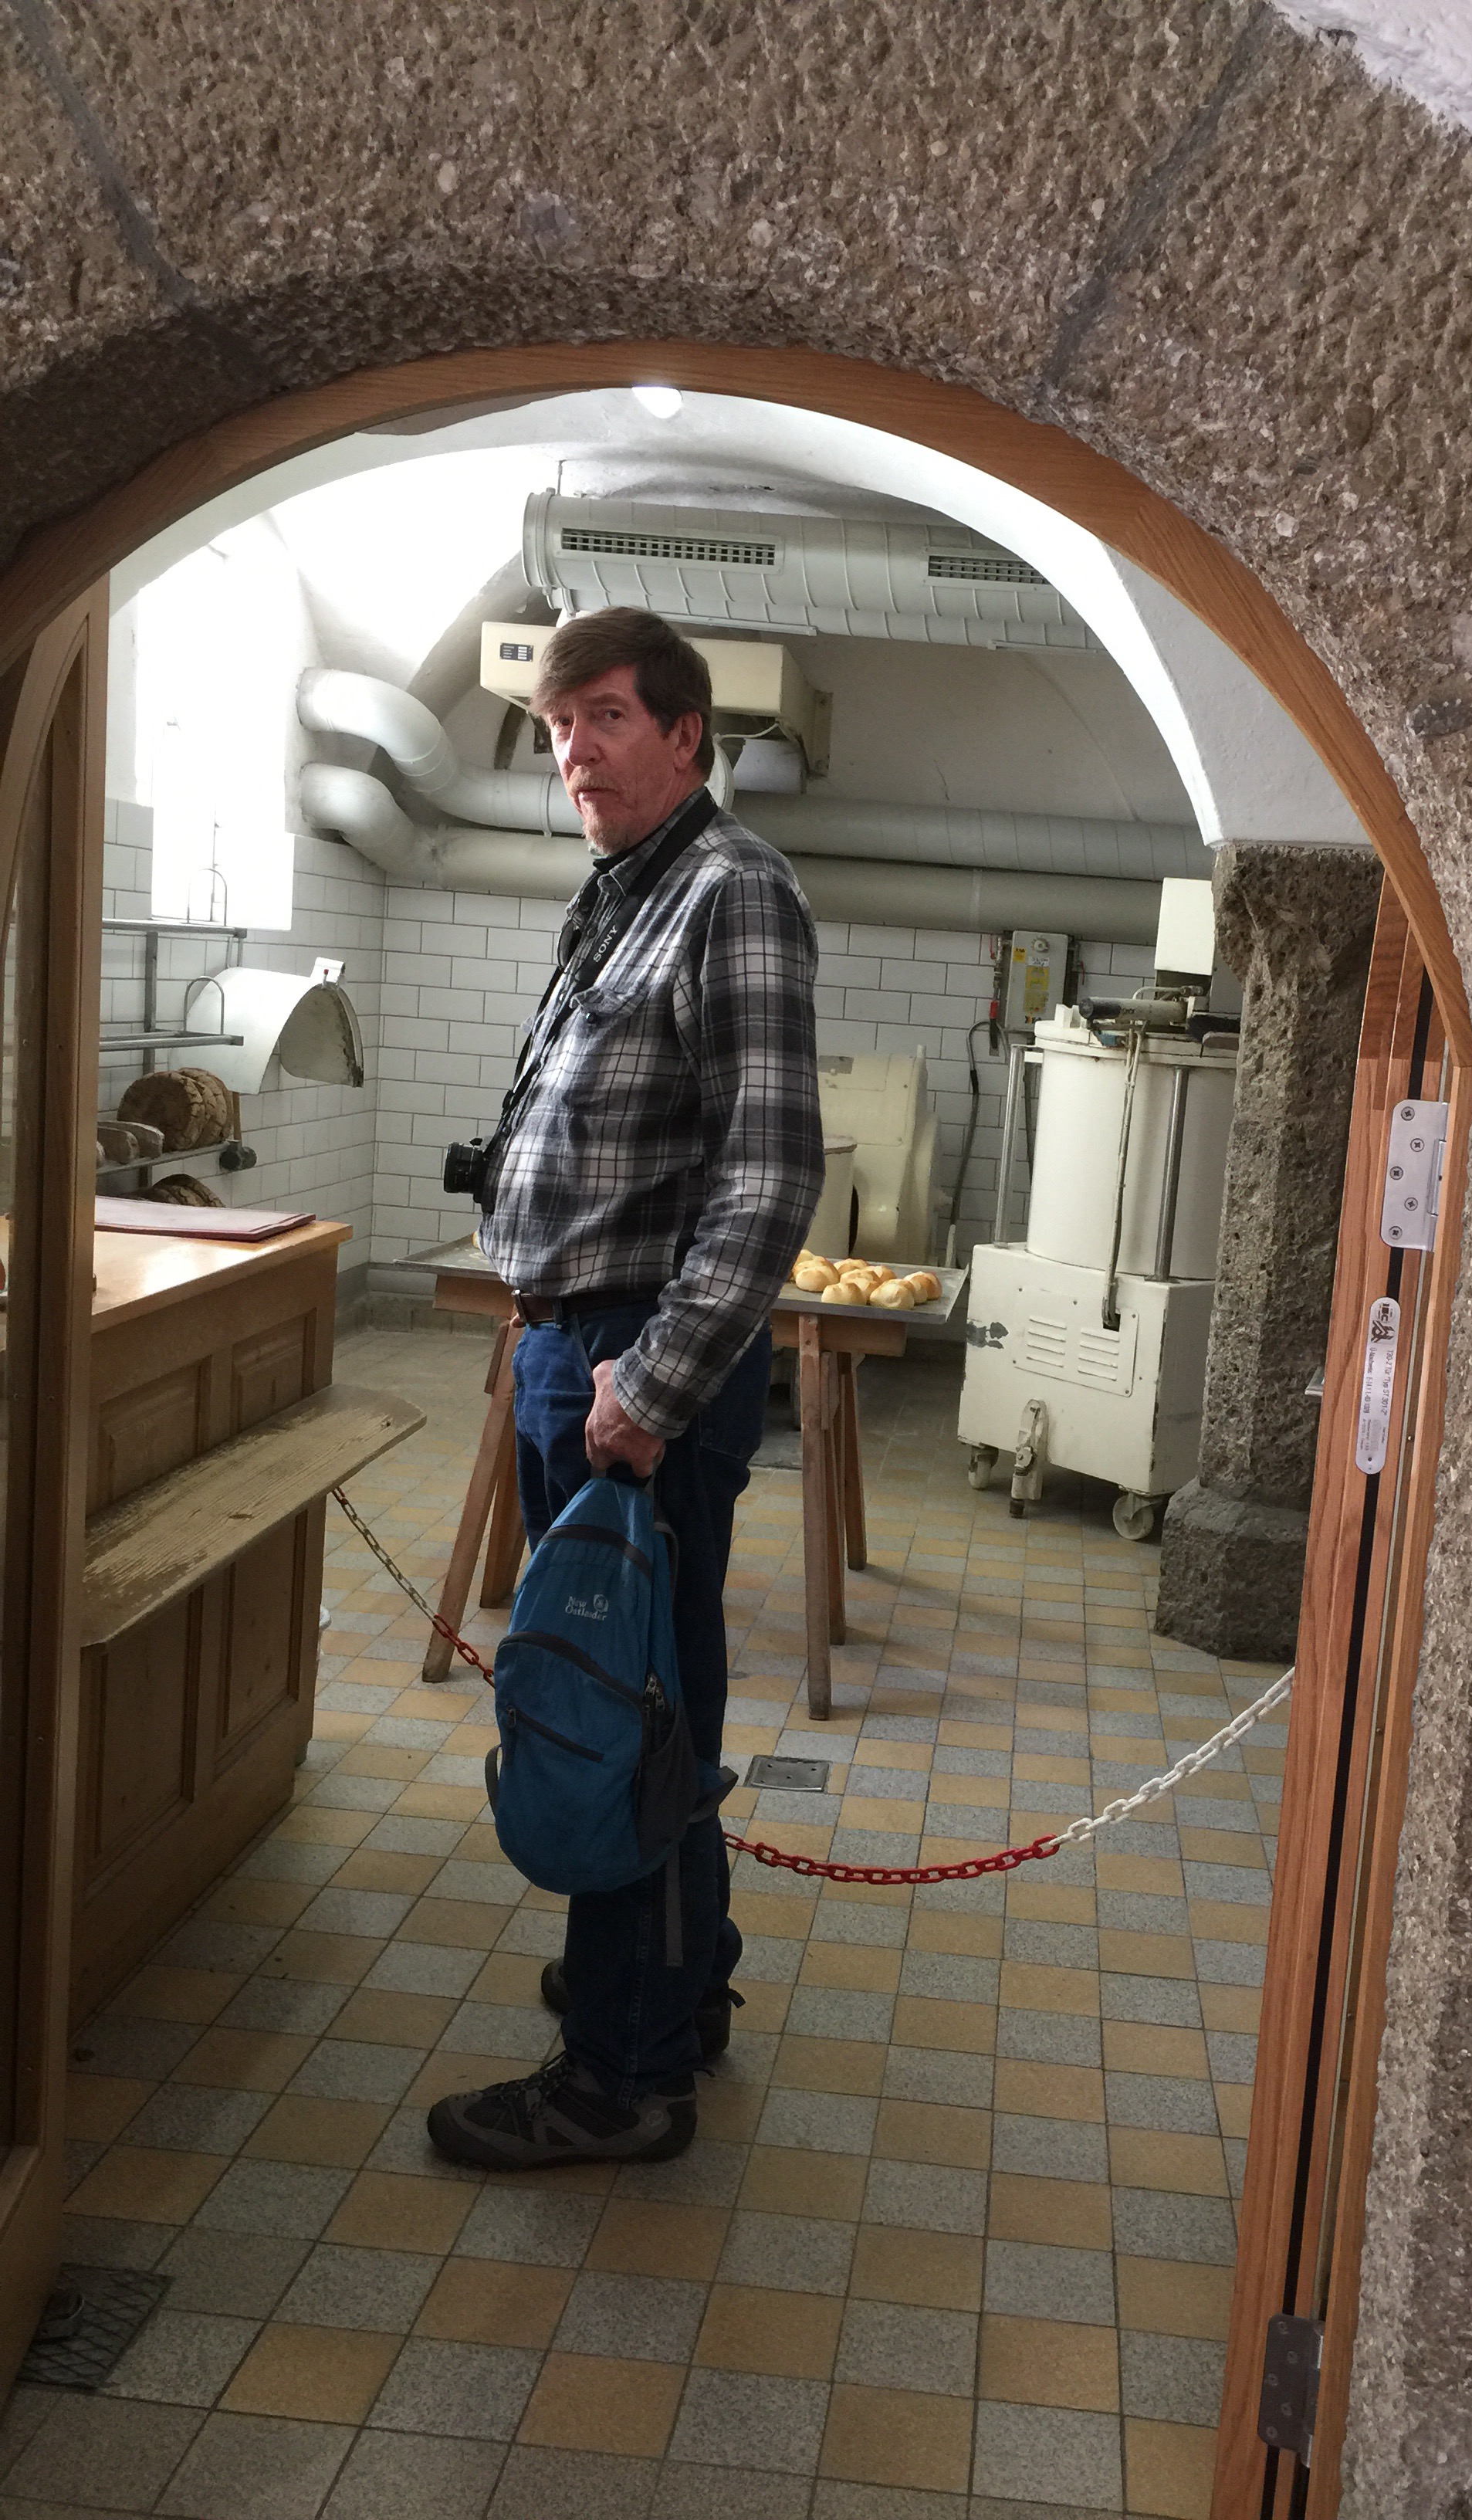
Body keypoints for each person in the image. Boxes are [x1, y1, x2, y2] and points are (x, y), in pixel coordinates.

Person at [426, 607, 822, 2169]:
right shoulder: (625, 894)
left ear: (683, 732)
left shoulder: (732, 892)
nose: (573, 751)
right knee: (638, 1691)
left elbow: (768, 1177)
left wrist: (649, 1388)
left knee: (617, 1712)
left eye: (602, 716)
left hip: (631, 1371)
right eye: (554, 727)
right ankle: (676, 1980)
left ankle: (621, 2075)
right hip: (574, 1350)